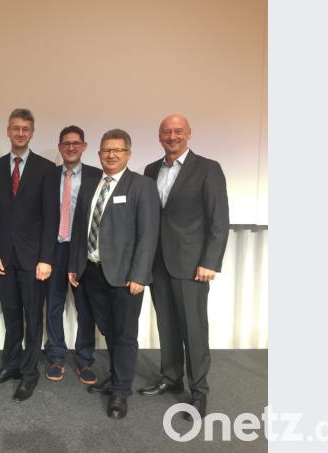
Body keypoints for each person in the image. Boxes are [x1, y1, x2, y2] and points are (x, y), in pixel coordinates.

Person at [137, 114, 230, 419]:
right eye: (166, 132)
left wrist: (210, 261)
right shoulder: (151, 170)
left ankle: (199, 392)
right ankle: (171, 377)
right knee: (167, 324)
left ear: (189, 134)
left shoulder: (208, 169)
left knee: (193, 329)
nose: (172, 136)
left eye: (178, 131)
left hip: (192, 265)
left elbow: (219, 220)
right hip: (158, 263)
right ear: (159, 136)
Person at [67, 128, 161, 419]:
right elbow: (80, 230)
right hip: (93, 273)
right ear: (98, 154)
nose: (111, 154)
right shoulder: (91, 184)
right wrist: (74, 265)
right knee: (108, 330)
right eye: (106, 150)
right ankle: (117, 376)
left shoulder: (141, 186)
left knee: (125, 334)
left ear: (128, 154)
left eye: (118, 150)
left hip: (125, 277)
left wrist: (140, 274)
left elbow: (148, 234)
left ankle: (121, 391)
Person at [0, 108, 58, 402]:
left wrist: (46, 259)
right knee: (12, 316)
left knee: (32, 318)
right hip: (4, 259)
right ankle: (10, 365)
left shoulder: (46, 169)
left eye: (26, 128)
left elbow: (51, 217)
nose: (20, 133)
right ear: (8, 131)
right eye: (16, 128)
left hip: (34, 260)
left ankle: (29, 374)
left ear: (32, 132)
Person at [42, 126, 101, 384]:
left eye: (76, 143)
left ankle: (84, 358)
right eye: (66, 143)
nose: (71, 147)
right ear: (59, 146)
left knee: (84, 308)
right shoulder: (48, 176)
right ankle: (56, 355)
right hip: (54, 250)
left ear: (84, 146)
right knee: (53, 305)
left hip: (83, 251)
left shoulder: (97, 176)